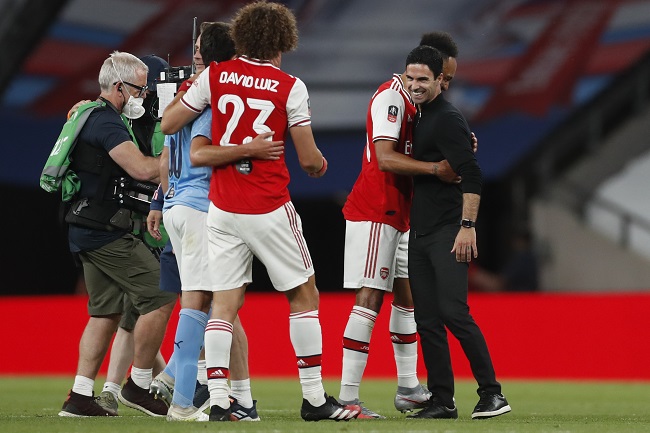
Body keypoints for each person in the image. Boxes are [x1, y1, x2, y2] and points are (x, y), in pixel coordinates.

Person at [161, 1, 360, 422]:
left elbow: (169, 123)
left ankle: (220, 401)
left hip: (222, 207)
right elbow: (308, 160)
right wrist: (322, 165)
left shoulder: (214, 76)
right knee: (304, 294)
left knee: (225, 305)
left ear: (243, 36)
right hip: (268, 204)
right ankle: (314, 399)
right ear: (284, 40)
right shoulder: (291, 86)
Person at [147, 21, 268, 422]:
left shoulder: (184, 96)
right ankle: (182, 401)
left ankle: (192, 387)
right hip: (200, 208)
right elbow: (200, 153)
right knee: (200, 305)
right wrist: (249, 149)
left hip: (179, 205)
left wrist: (163, 203)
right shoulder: (213, 99)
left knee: (215, 305)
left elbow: (167, 158)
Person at [339, 58, 461, 418]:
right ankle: (347, 397)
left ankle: (408, 387)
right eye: (445, 76)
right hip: (378, 208)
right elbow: (385, 159)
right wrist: (437, 169)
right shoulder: (392, 97)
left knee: (408, 295)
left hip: (403, 212)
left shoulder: (416, 105)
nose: (447, 84)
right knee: (370, 296)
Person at [58, 51, 177, 418]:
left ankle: (79, 396)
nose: (143, 96)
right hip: (105, 229)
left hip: (86, 225)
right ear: (120, 87)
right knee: (161, 294)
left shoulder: (90, 113)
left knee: (105, 313)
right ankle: (138, 385)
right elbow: (141, 168)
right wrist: (184, 157)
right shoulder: (107, 122)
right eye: (140, 89)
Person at [404, 45, 511, 419]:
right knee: (427, 320)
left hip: (448, 229)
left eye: (423, 79)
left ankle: (492, 393)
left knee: (454, 312)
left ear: (440, 82)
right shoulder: (418, 117)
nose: (415, 85)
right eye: (410, 77)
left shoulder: (447, 118)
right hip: (420, 233)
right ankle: (442, 400)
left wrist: (467, 227)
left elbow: (474, 172)